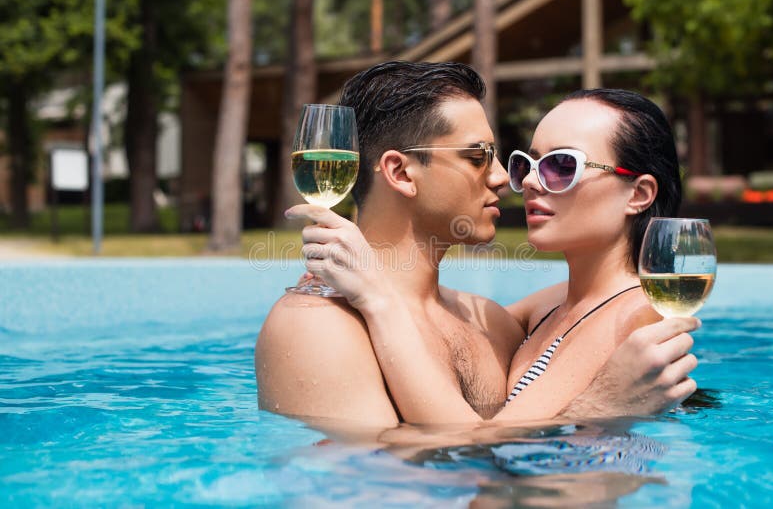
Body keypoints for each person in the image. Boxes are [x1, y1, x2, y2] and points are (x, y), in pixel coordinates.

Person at [256, 61, 698, 428]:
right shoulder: (316, 326)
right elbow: (378, 485)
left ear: (639, 193)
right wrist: (596, 408)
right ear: (402, 172)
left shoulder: (492, 324)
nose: (510, 178)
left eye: (561, 166)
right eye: (477, 157)